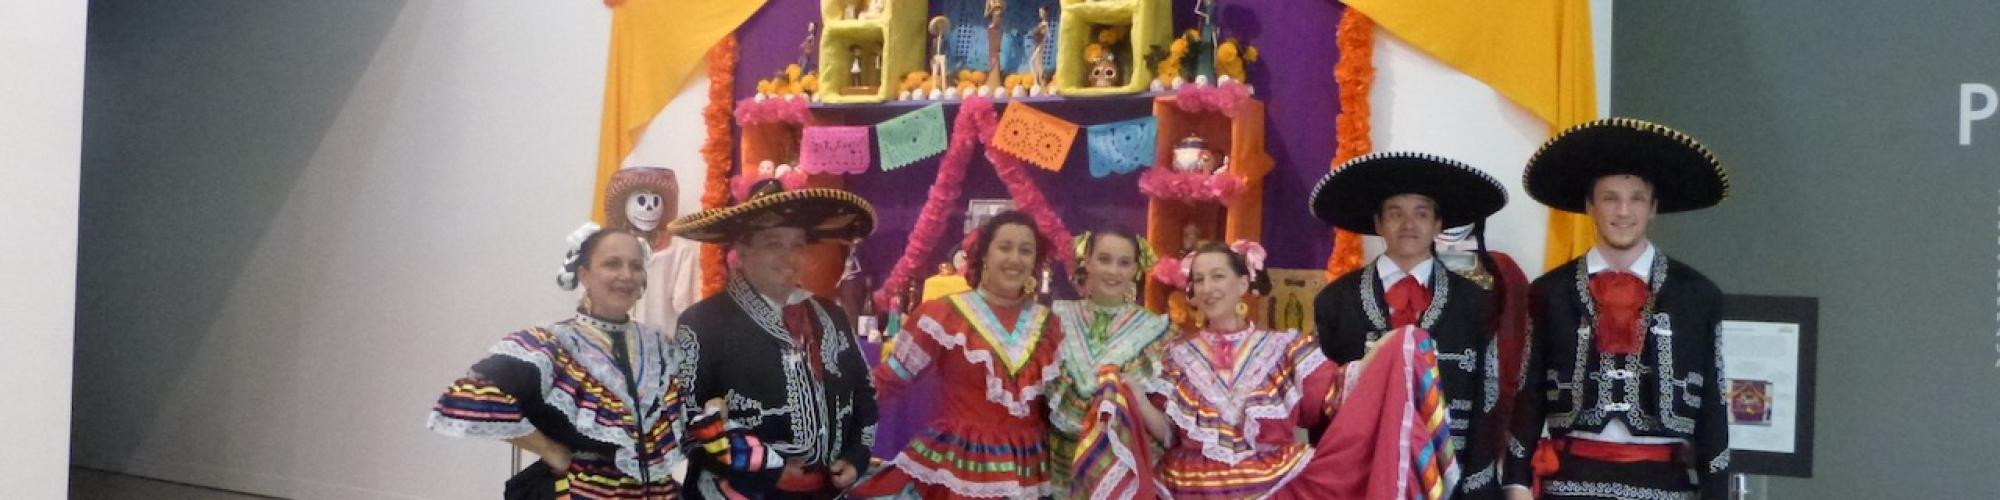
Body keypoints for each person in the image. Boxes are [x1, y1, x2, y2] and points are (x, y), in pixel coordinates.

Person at [1503, 118, 1732, 500]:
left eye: (1636, 198)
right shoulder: (1551, 291)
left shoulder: (1697, 294)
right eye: (1610, 197)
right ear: (1590, 206)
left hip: (1665, 487)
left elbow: (1713, 408)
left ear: (1653, 207)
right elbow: (1528, 396)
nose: (1623, 211)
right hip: (1571, 485)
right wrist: (1517, 483)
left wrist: (1717, 492)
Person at [428, 224, 741, 498]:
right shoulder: (553, 344)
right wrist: (551, 451)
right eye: (612, 264)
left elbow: (677, 423)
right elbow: (470, 393)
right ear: (584, 274)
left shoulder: (658, 345)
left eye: (635, 266)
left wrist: (711, 413)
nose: (626, 275)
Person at [1309, 152, 1513, 498]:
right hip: (1361, 476)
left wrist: (1477, 482)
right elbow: (1320, 402)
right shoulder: (1335, 301)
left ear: (1437, 225)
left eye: (1421, 213)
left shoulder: (1476, 301)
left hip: (1455, 475)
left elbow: (1488, 396)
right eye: (1395, 213)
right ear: (1378, 223)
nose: (1408, 225)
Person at [666, 179, 880, 499]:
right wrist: (769, 466)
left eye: (797, 244)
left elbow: (865, 392)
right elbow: (684, 422)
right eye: (773, 243)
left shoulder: (830, 315)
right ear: (742, 250)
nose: (789, 256)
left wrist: (856, 457)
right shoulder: (703, 323)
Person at [850, 211, 1068, 498]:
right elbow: (891, 378)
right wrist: (831, 415)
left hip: (1029, 468)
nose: (1015, 258)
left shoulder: (1050, 326)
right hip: (961, 464)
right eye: (1005, 247)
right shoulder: (943, 315)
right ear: (984, 255)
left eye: (1025, 250)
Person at [1046, 230, 1171, 496]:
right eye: (1104, 259)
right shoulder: (1056, 317)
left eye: (1124, 263)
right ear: (1087, 262)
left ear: (1136, 269)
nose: (1113, 271)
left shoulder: (1155, 330)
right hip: (1059, 468)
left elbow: (1167, 424)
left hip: (1121, 467)